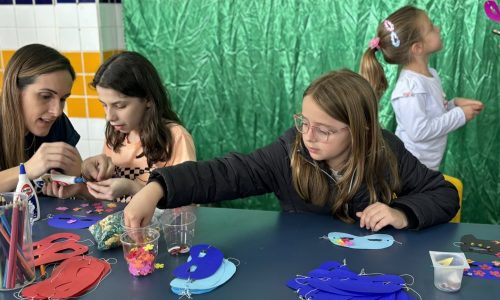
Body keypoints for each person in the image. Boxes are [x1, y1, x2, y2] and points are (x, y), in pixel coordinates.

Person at [123, 69, 459, 232]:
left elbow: (443, 193)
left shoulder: (387, 152)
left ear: (362, 130)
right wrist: (159, 186)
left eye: (325, 129)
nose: (309, 136)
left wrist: (402, 212)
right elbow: (227, 173)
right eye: (304, 121)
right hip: (303, 272)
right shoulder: (291, 151)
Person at [46, 52, 196, 201]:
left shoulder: (176, 137)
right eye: (104, 105)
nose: (109, 117)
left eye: (120, 105)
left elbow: (186, 200)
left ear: (148, 99)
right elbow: (109, 200)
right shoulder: (115, 135)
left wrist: (132, 188)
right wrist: (80, 188)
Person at [359, 5, 484, 170]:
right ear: (417, 48)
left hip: (425, 167)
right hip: (410, 170)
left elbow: (433, 113)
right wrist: (459, 115)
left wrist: (454, 104)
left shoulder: (430, 74)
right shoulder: (408, 90)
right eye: (431, 28)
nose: (438, 28)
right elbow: (420, 131)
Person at [0, 44, 81, 192]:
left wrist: (84, 172)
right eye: (45, 96)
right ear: (15, 91)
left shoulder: (57, 122)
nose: (57, 111)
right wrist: (27, 170)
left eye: (63, 99)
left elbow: (76, 179)